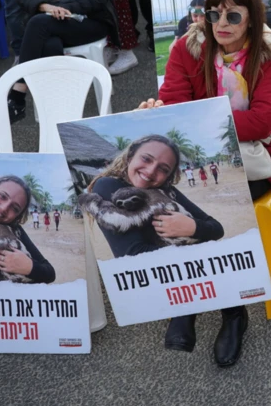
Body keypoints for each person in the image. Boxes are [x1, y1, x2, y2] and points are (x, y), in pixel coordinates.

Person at [138, 0, 271, 366]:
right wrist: (169, 118)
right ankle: (229, 311)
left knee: (204, 200)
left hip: (253, 165)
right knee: (173, 196)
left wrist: (196, 123)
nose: (221, 23)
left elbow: (260, 124)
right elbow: (174, 110)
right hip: (194, 165)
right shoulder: (186, 48)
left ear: (253, 20)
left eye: (233, 15)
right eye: (213, 13)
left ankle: (198, 306)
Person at [82, 136, 231, 354]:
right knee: (208, 257)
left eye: (163, 168)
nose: (151, 172)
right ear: (130, 156)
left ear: (169, 175)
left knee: (220, 254)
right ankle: (192, 311)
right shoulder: (108, 186)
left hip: (178, 254)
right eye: (146, 159)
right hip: (159, 269)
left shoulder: (163, 189)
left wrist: (191, 227)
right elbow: (133, 254)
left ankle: (233, 315)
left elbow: (216, 228)